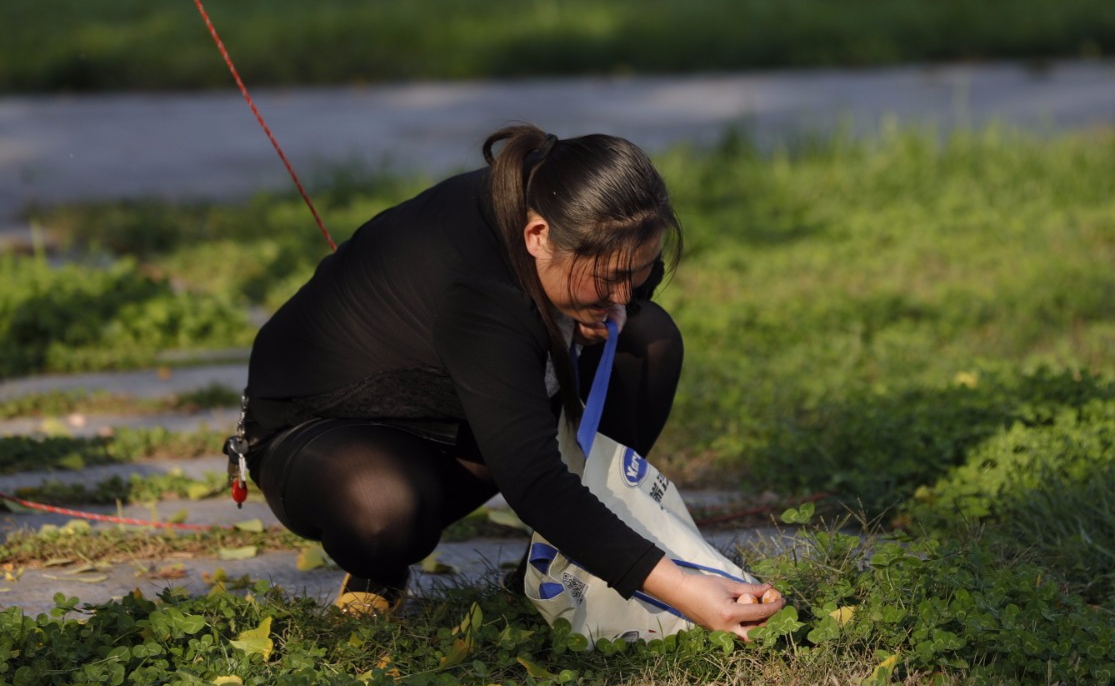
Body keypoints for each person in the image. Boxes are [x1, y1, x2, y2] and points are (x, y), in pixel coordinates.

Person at [241, 123, 783, 637]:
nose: (623, 295)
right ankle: (377, 569)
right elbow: (534, 480)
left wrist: (590, 309)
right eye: (609, 278)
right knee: (382, 510)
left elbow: (620, 294)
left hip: (461, 410)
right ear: (538, 235)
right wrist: (684, 589)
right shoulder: (482, 288)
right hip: (325, 436)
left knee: (648, 340)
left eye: (637, 271)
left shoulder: (566, 209)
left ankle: (551, 565)